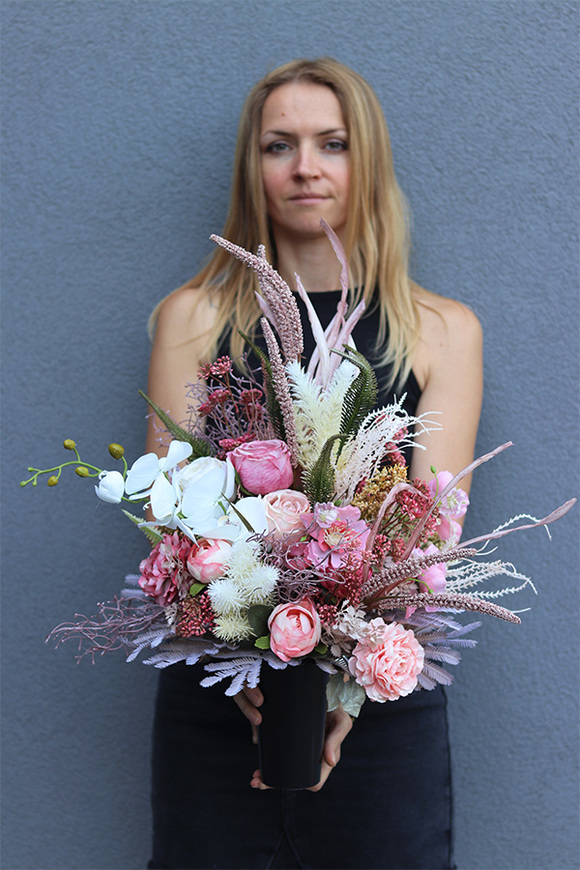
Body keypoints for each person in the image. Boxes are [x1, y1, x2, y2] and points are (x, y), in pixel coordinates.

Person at [145, 58, 482, 870]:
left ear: (365, 162)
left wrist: (340, 689)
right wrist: (251, 666)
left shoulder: (441, 331)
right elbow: (169, 526)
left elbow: (428, 537)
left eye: (332, 144)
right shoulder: (192, 318)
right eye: (278, 146)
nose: (305, 167)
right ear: (251, 169)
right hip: (223, 698)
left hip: (381, 703)